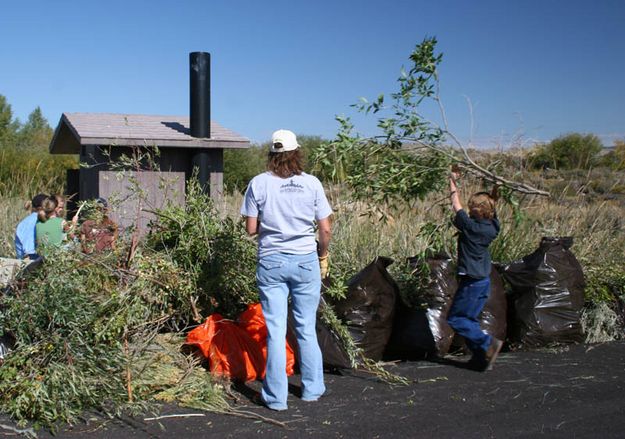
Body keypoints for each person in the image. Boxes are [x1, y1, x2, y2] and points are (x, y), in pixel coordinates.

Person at [240, 129, 332, 411]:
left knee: (276, 330)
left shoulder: (259, 183)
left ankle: (276, 398)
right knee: (305, 327)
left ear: (272, 154)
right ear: (296, 153)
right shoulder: (312, 183)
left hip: (272, 261)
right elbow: (325, 228)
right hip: (305, 260)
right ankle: (312, 389)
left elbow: (251, 229)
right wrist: (323, 255)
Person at [447, 168, 503, 371]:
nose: (468, 210)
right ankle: (481, 358)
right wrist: (496, 184)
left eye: (472, 207)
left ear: (477, 211)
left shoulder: (471, 228)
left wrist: (452, 180)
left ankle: (489, 344)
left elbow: (455, 204)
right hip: (483, 281)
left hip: (472, 282)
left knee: (457, 319)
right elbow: (494, 203)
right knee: (470, 319)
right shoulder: (493, 226)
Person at [14, 193, 47, 260]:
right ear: (43, 207)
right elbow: (29, 253)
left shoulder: (25, 222)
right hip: (31, 264)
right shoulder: (34, 222)